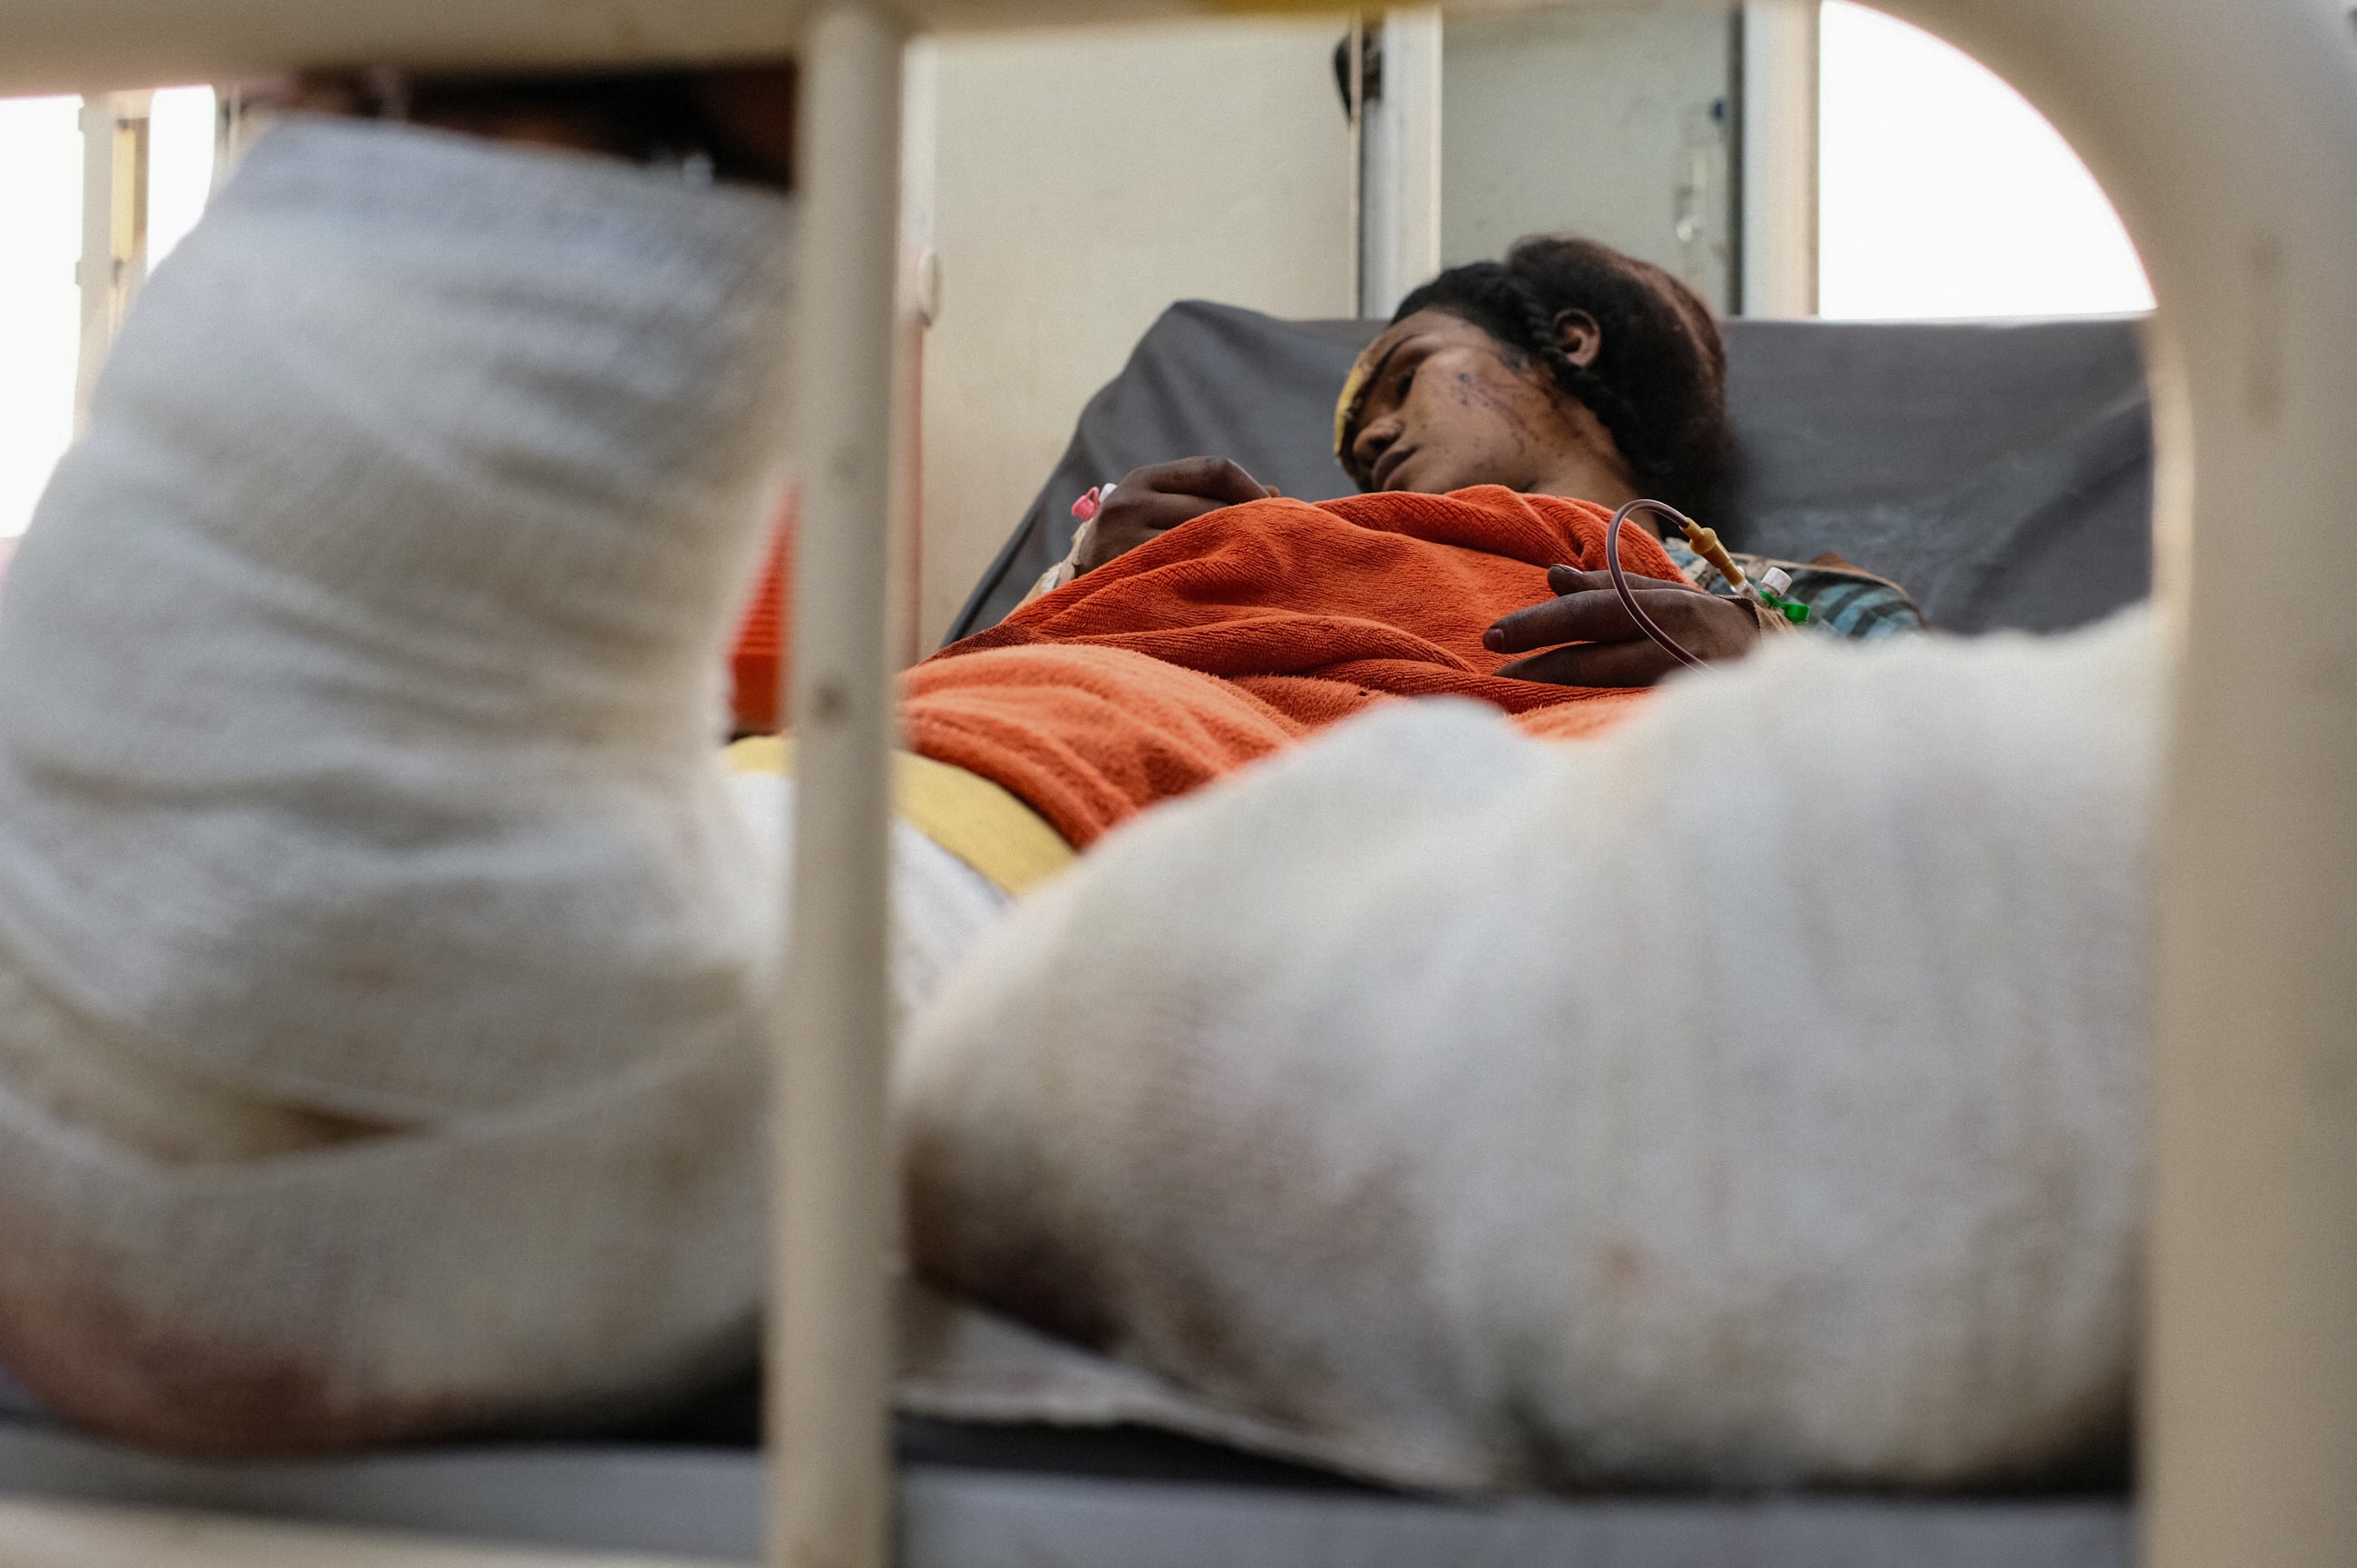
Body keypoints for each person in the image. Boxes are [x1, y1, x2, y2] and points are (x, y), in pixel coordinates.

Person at [1037, 237, 1924, 691]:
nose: (1373, 441)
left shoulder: (1800, 602)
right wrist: (1094, 580)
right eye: (1353, 454)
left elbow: (1947, 797)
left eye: (1406, 376)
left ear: (1567, 345)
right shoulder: (1313, 562)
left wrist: (1763, 666)